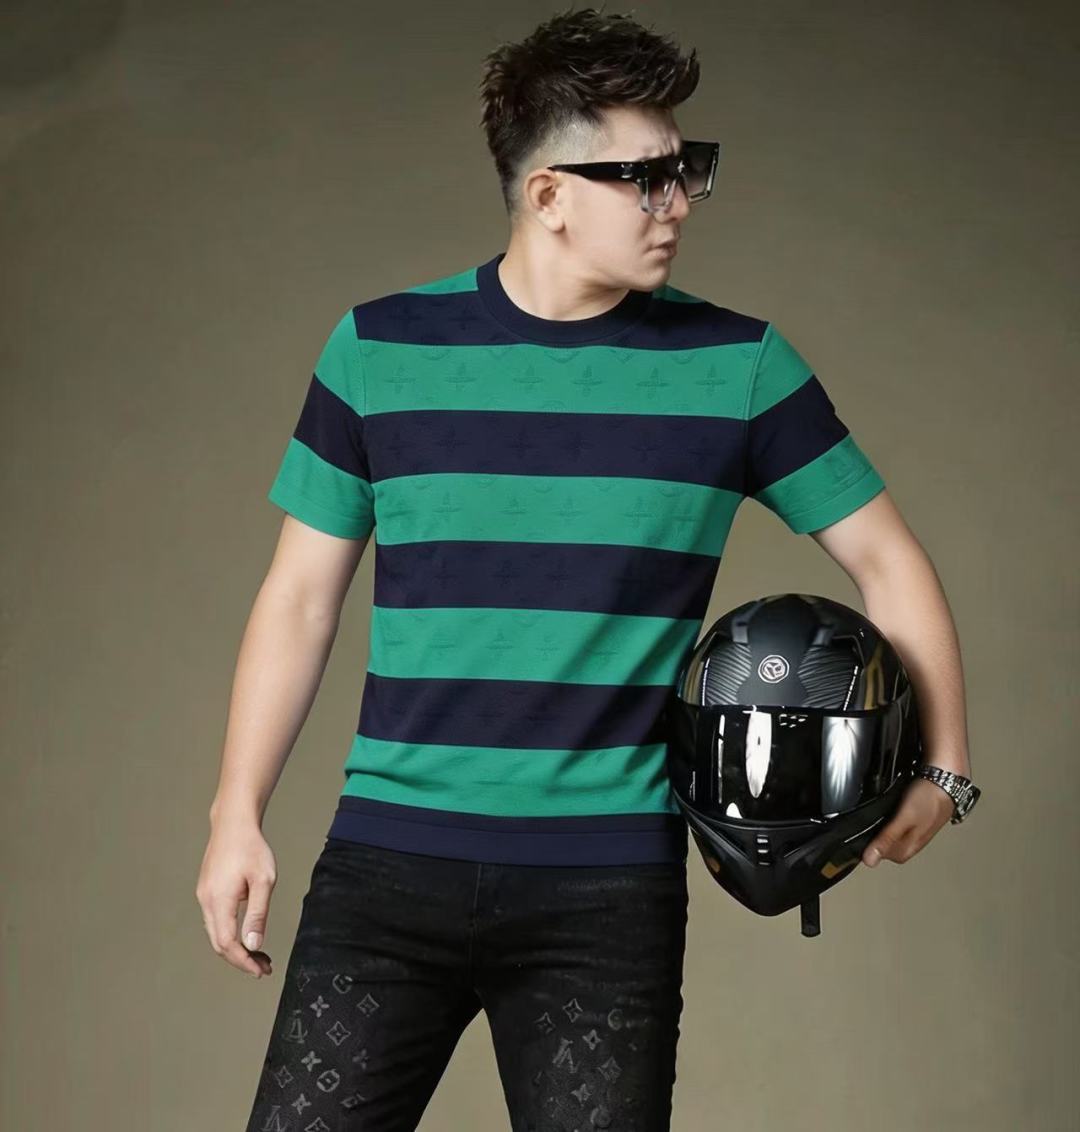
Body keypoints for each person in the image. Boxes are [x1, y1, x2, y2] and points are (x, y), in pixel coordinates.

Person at [196, 7, 972, 1130]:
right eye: (645, 178)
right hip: (386, 869)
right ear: (549, 194)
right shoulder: (377, 349)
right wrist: (236, 812)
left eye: (686, 169)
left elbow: (889, 562)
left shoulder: (739, 366)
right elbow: (299, 599)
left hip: (605, 894)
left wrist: (945, 766)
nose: (680, 201)